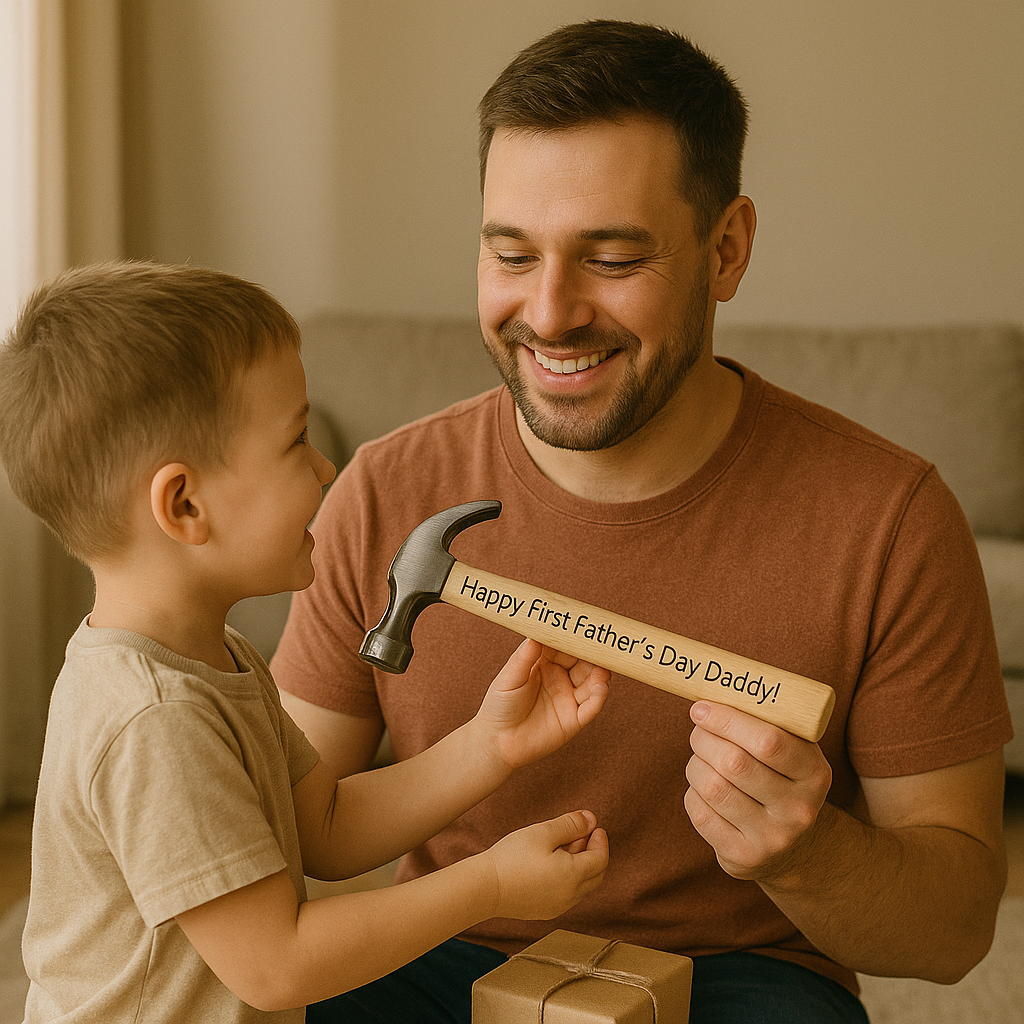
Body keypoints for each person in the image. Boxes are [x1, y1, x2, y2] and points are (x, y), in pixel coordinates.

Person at [271, 19, 1013, 1024]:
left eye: (611, 258)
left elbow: (955, 930)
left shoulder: (888, 520)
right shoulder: (384, 491)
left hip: (742, 974)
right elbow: (282, 823)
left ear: (726, 248)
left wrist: (808, 852)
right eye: (511, 254)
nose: (550, 311)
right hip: (450, 949)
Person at [0, 261, 611, 1023]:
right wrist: (488, 886)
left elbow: (322, 827)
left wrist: (489, 745)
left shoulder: (215, 658)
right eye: (295, 442)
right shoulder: (152, 720)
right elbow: (278, 965)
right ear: (184, 504)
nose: (327, 467)